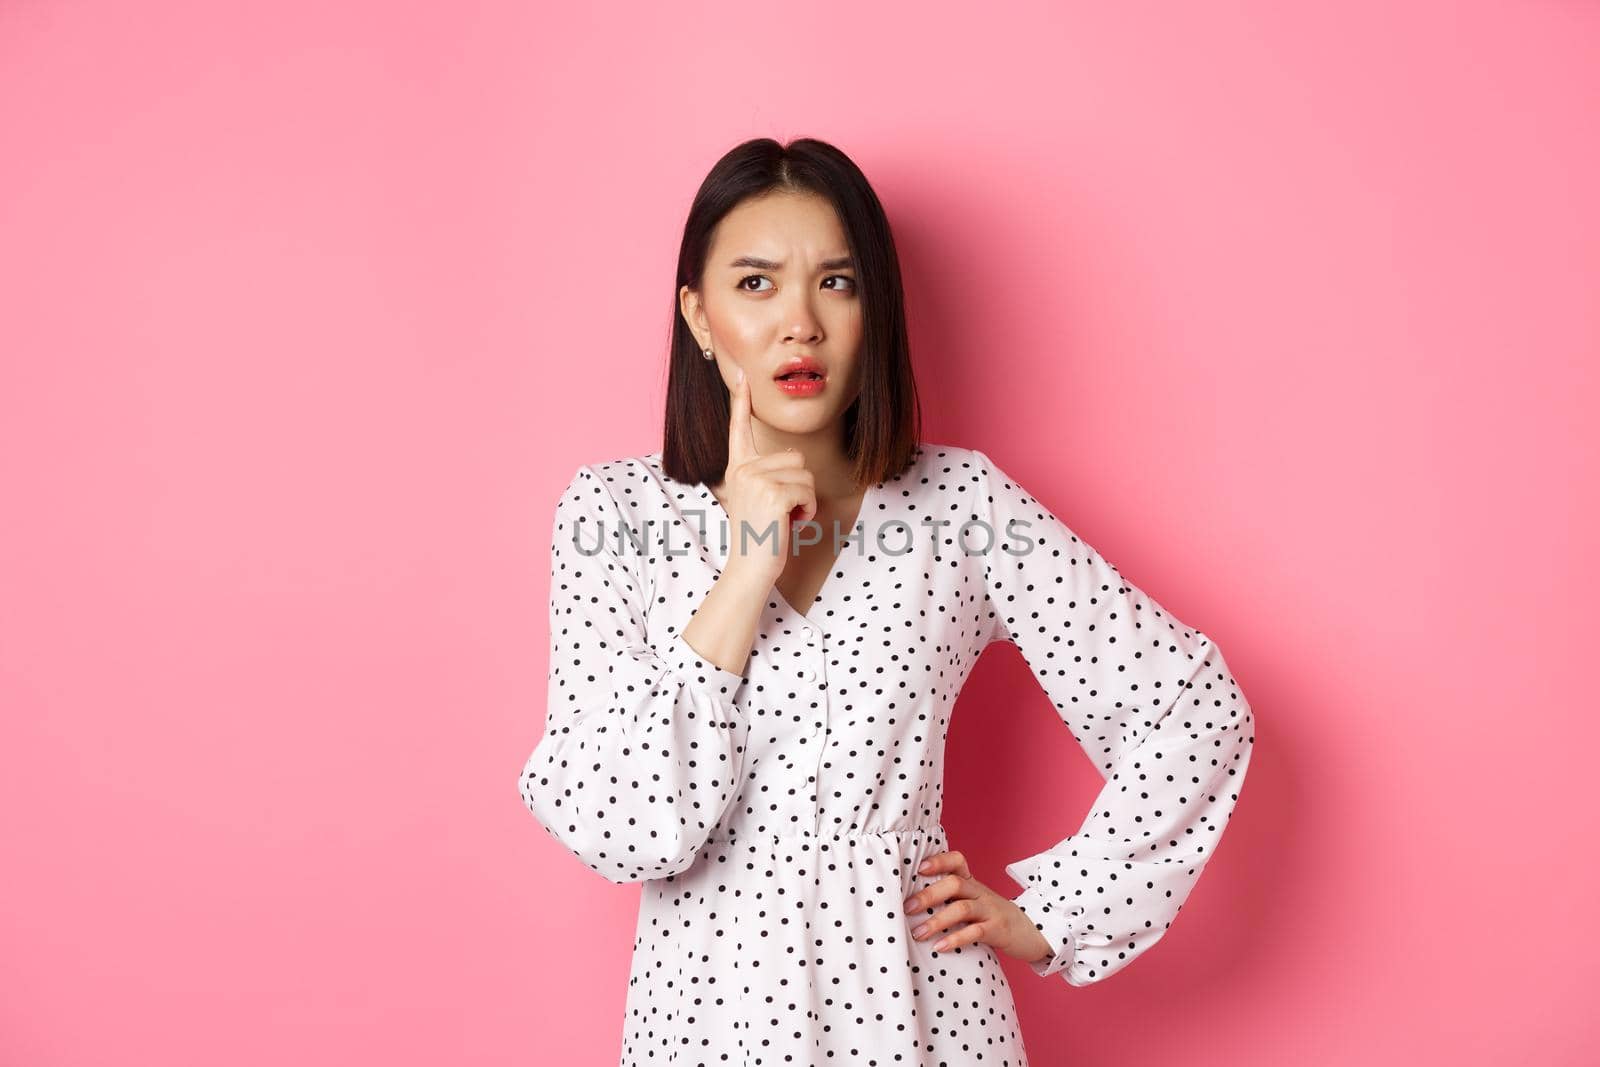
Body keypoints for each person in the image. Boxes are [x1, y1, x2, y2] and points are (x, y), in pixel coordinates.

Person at [517, 137, 1255, 1064]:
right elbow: (624, 825)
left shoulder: (964, 506)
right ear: (699, 317)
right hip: (707, 1024)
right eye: (755, 285)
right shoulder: (615, 514)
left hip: (924, 1017)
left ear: (877, 312)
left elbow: (1190, 710)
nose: (801, 324)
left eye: (837, 282)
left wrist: (1058, 911)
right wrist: (746, 566)